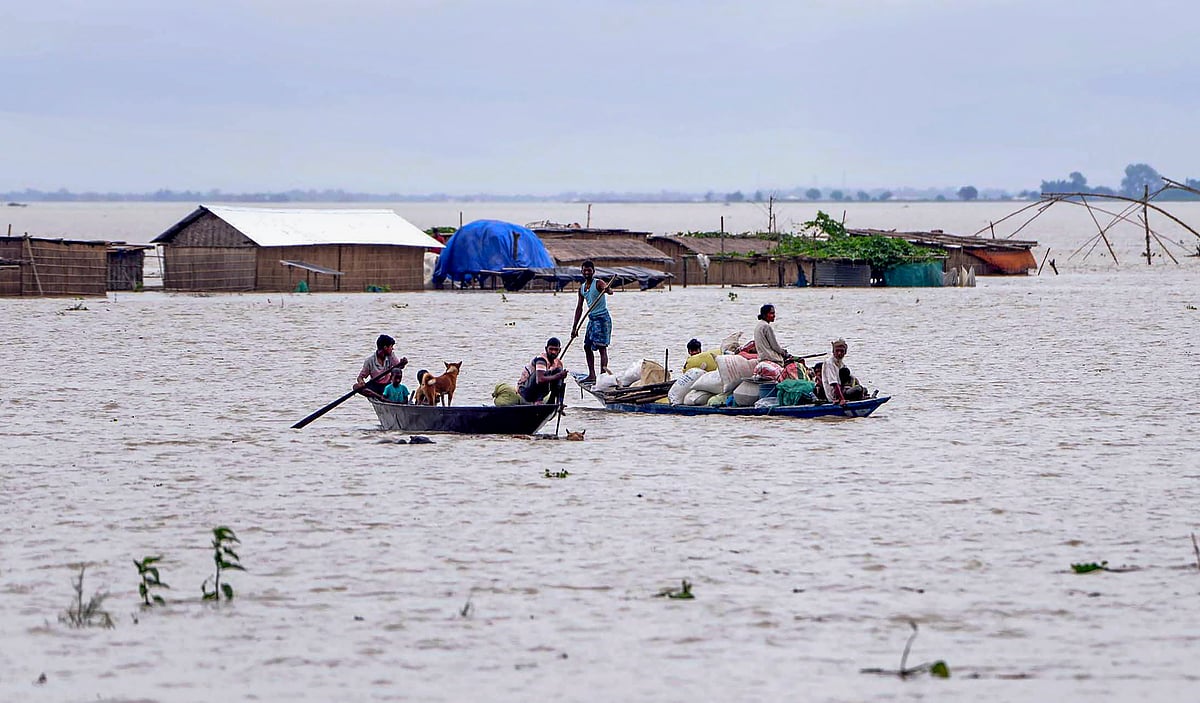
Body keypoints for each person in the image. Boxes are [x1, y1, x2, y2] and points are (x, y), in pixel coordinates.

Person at [571, 260, 613, 383]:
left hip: (602, 319)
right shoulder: (582, 289)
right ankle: (592, 375)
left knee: (602, 348)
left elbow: (609, 291)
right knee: (587, 346)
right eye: (585, 270)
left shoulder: (598, 283)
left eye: (589, 270)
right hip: (592, 319)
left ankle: (602, 376)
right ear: (582, 272)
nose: (587, 272)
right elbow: (579, 308)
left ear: (593, 271)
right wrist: (575, 327)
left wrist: (607, 290)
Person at [753, 304, 801, 379]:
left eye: (774, 313)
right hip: (771, 358)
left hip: (762, 357)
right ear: (765, 315)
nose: (774, 315)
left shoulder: (759, 326)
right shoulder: (766, 327)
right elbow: (775, 346)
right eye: (771, 313)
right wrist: (785, 353)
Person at [518, 337, 569, 404]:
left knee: (559, 371)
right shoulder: (541, 360)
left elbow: (559, 382)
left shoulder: (558, 363)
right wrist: (558, 375)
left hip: (540, 390)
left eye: (556, 350)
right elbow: (540, 379)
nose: (553, 352)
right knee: (544, 374)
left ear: (559, 350)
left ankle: (553, 402)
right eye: (551, 349)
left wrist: (560, 376)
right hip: (525, 391)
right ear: (546, 349)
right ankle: (538, 400)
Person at [820, 338, 862, 406]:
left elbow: (852, 378)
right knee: (858, 389)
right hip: (833, 396)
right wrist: (842, 399)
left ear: (845, 352)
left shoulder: (841, 363)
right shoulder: (829, 363)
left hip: (841, 391)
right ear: (833, 351)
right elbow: (834, 384)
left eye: (842, 351)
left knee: (862, 389)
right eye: (837, 351)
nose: (839, 353)